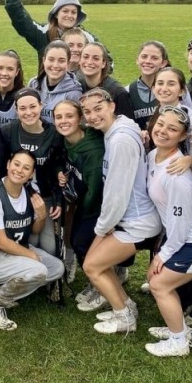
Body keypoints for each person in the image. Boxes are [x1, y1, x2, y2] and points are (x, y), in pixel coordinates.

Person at [142, 106, 192, 357]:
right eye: (161, 124)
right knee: (158, 282)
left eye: (172, 129)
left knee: (159, 285)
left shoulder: (177, 175)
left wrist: (162, 255)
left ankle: (179, 341)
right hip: (185, 236)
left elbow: (180, 224)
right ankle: (177, 328)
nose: (163, 131)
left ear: (182, 137)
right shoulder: (153, 155)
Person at [79, 89, 161, 331]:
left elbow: (117, 192)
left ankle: (124, 317)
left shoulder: (120, 140)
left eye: (98, 109)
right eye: (87, 112)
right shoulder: (118, 129)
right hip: (131, 217)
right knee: (96, 264)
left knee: (92, 266)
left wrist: (103, 227)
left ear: (112, 106)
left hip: (137, 221)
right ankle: (126, 306)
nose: (93, 116)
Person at [0, 150, 65, 330]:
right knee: (38, 271)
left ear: (31, 173)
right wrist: (31, 256)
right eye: (16, 164)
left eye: (26, 168)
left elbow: (34, 230)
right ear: (8, 164)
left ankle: (0, 288)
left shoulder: (30, 192)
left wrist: (41, 215)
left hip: (15, 249)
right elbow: (1, 242)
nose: (20, 170)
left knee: (56, 268)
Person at [0, 89, 64, 259]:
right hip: (18, 198)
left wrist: (58, 200)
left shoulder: (54, 134)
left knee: (50, 248)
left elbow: (58, 166)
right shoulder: (8, 132)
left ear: (41, 106)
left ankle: (47, 276)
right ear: (16, 109)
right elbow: (1, 167)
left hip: (45, 197)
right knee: (30, 242)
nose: (28, 112)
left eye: (32, 107)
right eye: (22, 108)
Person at [53, 99, 105, 285]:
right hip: (78, 202)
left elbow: (96, 190)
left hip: (94, 207)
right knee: (75, 240)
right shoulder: (64, 140)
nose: (63, 121)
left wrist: (83, 212)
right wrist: (60, 171)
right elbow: (59, 159)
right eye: (58, 117)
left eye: (69, 116)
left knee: (82, 242)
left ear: (80, 119)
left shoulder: (93, 150)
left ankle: (101, 285)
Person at [0, 0, 95, 67]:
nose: (69, 15)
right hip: (47, 83)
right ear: (56, 13)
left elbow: (104, 58)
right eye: (65, 11)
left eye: (73, 12)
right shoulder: (43, 33)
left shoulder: (86, 37)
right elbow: (22, 22)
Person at [27, 40, 82, 124]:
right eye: (51, 59)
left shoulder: (73, 93)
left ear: (68, 63)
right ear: (44, 60)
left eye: (61, 60)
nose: (55, 65)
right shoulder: (34, 84)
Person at [125, 41, 171, 131]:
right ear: (137, 60)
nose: (148, 61)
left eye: (154, 58)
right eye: (144, 56)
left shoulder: (172, 90)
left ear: (163, 63)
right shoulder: (128, 91)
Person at [78, 42, 131, 117]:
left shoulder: (117, 92)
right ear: (79, 60)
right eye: (86, 57)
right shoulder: (77, 86)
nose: (89, 62)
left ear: (103, 63)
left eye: (96, 58)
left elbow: (127, 125)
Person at [0, 49, 24, 128]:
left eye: (10, 69)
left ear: (17, 72)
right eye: (0, 68)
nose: (4, 73)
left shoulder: (24, 95)